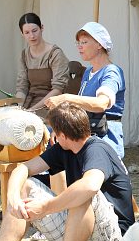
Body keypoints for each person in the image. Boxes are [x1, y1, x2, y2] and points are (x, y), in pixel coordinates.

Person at [0, 102, 135, 241]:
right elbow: (23, 169)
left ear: (61, 134)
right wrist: (12, 198)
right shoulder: (65, 149)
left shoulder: (97, 149)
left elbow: (90, 186)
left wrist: (46, 207)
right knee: (26, 185)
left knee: (81, 192)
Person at [46, 22, 126, 159]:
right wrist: (60, 128)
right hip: (84, 133)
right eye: (78, 43)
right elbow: (80, 109)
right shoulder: (88, 72)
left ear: (99, 44)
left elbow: (101, 103)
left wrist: (66, 98)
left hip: (104, 136)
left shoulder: (112, 72)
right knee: (46, 137)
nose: (80, 46)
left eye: (84, 42)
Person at [15, 13, 70, 117]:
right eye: (27, 32)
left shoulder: (55, 53)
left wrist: (32, 111)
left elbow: (58, 89)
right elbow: (22, 86)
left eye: (34, 30)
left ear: (42, 28)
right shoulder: (24, 55)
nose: (32, 36)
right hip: (29, 102)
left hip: (51, 105)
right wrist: (18, 108)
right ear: (22, 34)